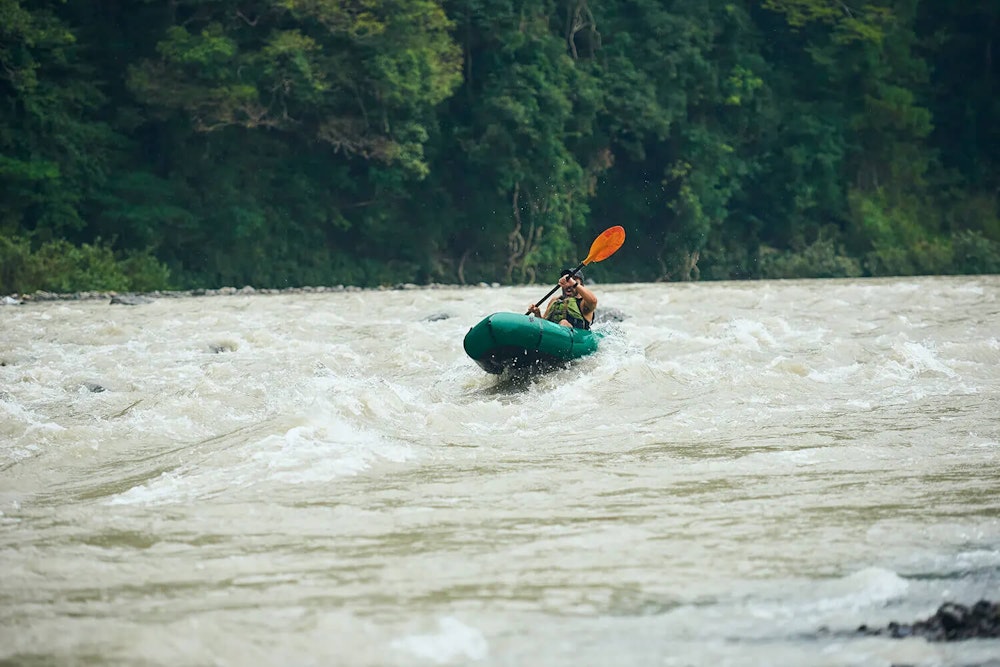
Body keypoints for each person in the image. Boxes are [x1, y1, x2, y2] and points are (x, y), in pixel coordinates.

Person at [527, 269, 597, 329]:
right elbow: (544, 324)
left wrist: (573, 283)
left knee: (564, 323)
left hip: (578, 340)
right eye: (566, 280)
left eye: (573, 280)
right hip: (553, 336)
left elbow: (593, 301)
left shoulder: (584, 303)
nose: (569, 284)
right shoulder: (555, 300)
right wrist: (537, 314)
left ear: (581, 285)